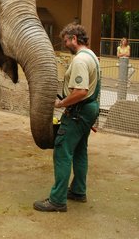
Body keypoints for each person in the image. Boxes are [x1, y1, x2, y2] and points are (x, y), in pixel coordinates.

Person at [34, 22, 100, 212]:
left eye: (66, 41)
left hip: (78, 112)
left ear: (74, 39)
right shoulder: (92, 56)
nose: (65, 45)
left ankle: (57, 200)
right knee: (80, 151)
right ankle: (78, 191)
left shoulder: (80, 60)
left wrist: (61, 104)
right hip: (88, 109)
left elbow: (80, 91)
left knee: (62, 152)